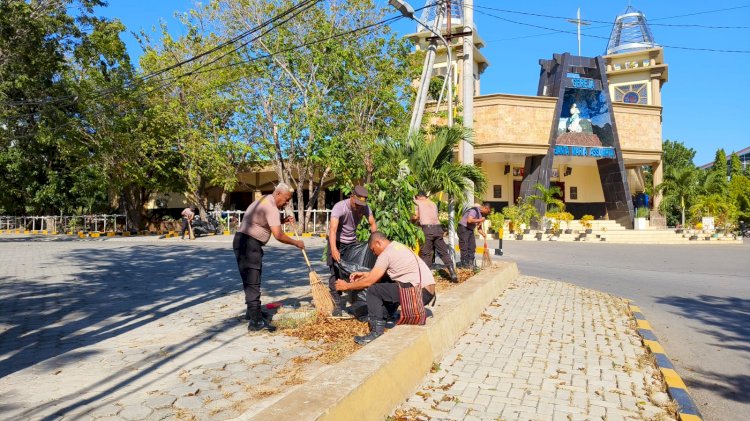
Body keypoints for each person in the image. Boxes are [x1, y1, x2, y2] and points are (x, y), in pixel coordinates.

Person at [335, 232, 435, 345]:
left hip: (418, 294)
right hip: (426, 292)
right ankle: (384, 316)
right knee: (385, 282)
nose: (374, 253)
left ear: (378, 243)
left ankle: (376, 332)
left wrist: (346, 286)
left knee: (374, 290)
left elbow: (369, 282)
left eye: (373, 250)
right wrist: (365, 273)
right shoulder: (397, 246)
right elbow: (383, 274)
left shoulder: (386, 254)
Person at [233, 183, 305, 332]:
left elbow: (266, 222)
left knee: (251, 279)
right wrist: (296, 243)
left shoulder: (265, 199)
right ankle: (256, 322)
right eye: (286, 199)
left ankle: (253, 312)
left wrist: (283, 221)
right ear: (278, 193)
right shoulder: (271, 207)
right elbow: (278, 235)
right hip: (249, 244)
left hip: (243, 242)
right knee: (253, 281)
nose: (286, 203)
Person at [328, 185, 377, 316]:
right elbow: (332, 229)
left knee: (353, 272)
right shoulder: (340, 207)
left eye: (362, 204)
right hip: (337, 242)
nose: (359, 206)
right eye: (357, 203)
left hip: (352, 243)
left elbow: (372, 223)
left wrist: (375, 242)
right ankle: (337, 304)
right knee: (335, 273)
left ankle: (356, 301)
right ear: (351, 197)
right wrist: (333, 248)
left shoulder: (365, 207)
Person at [412, 192, 457, 282]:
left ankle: (425, 279)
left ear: (418, 197)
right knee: (443, 252)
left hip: (427, 230)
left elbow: (415, 216)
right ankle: (453, 274)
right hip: (438, 229)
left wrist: (411, 222)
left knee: (426, 254)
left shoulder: (416, 202)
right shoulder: (432, 203)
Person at [457, 202, 490, 269]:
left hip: (470, 229)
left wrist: (483, 233)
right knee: (464, 246)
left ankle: (471, 263)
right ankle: (464, 263)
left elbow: (479, 228)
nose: (488, 212)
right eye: (488, 211)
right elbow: (469, 220)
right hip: (463, 228)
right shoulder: (474, 210)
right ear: (485, 208)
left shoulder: (481, 215)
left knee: (472, 246)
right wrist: (481, 220)